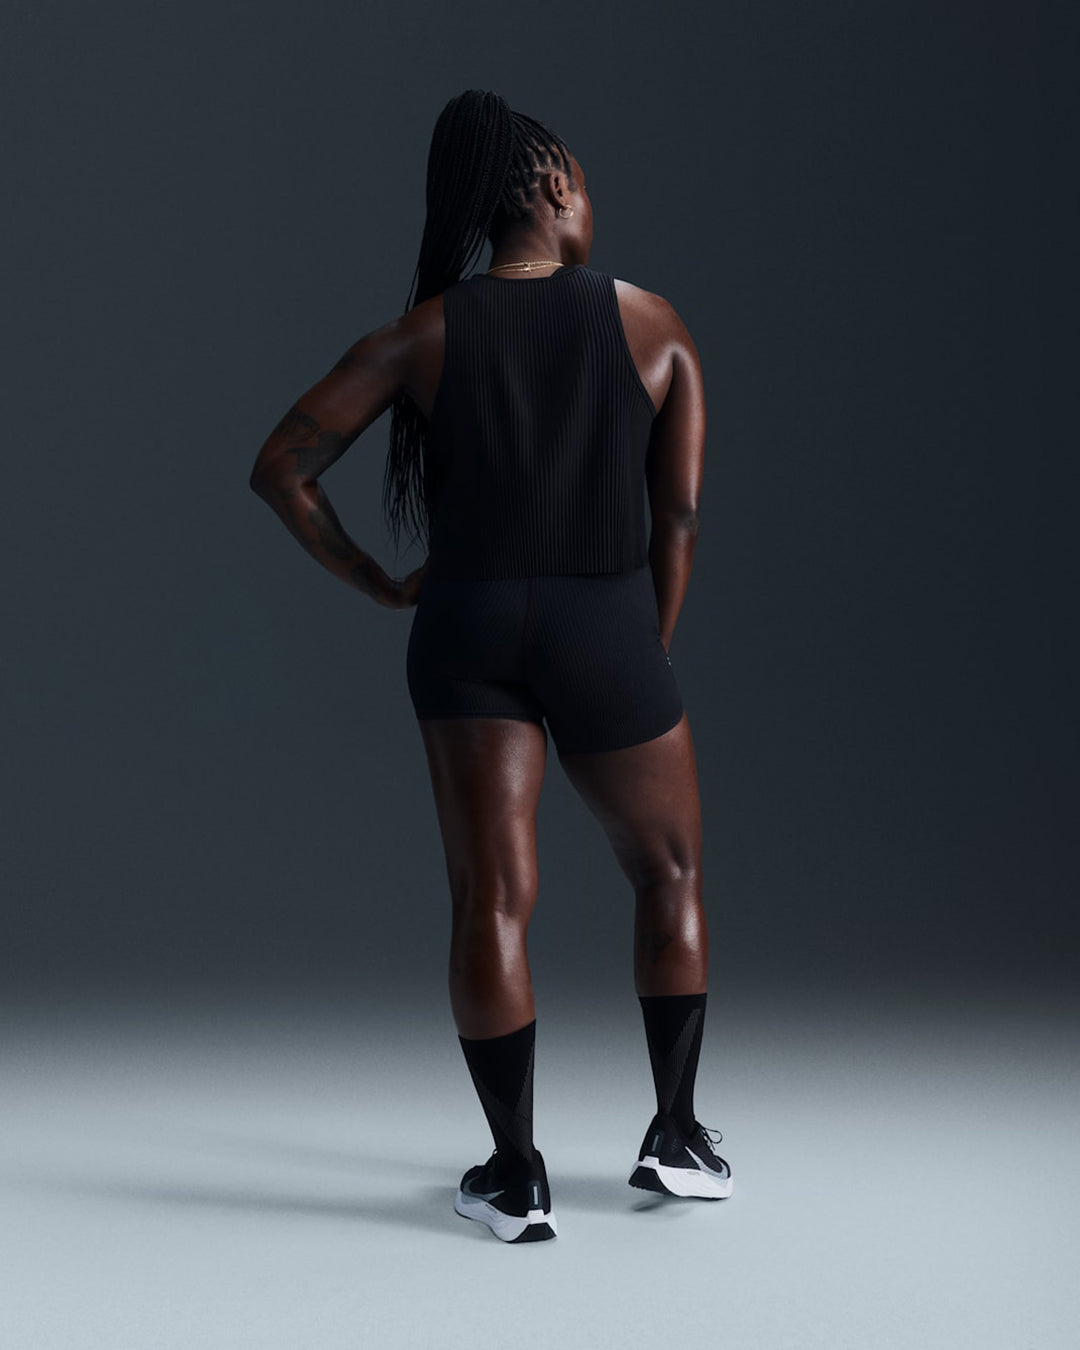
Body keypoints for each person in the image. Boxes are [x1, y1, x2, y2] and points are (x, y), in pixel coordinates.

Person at [249, 88, 732, 1244]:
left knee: (491, 899)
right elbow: (677, 518)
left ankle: (516, 1176)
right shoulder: (652, 324)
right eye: (588, 185)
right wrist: (645, 645)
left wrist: (376, 580)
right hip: (605, 624)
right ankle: (676, 1138)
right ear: (556, 188)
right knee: (667, 874)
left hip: (465, 628)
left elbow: (282, 468)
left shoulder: (421, 334)